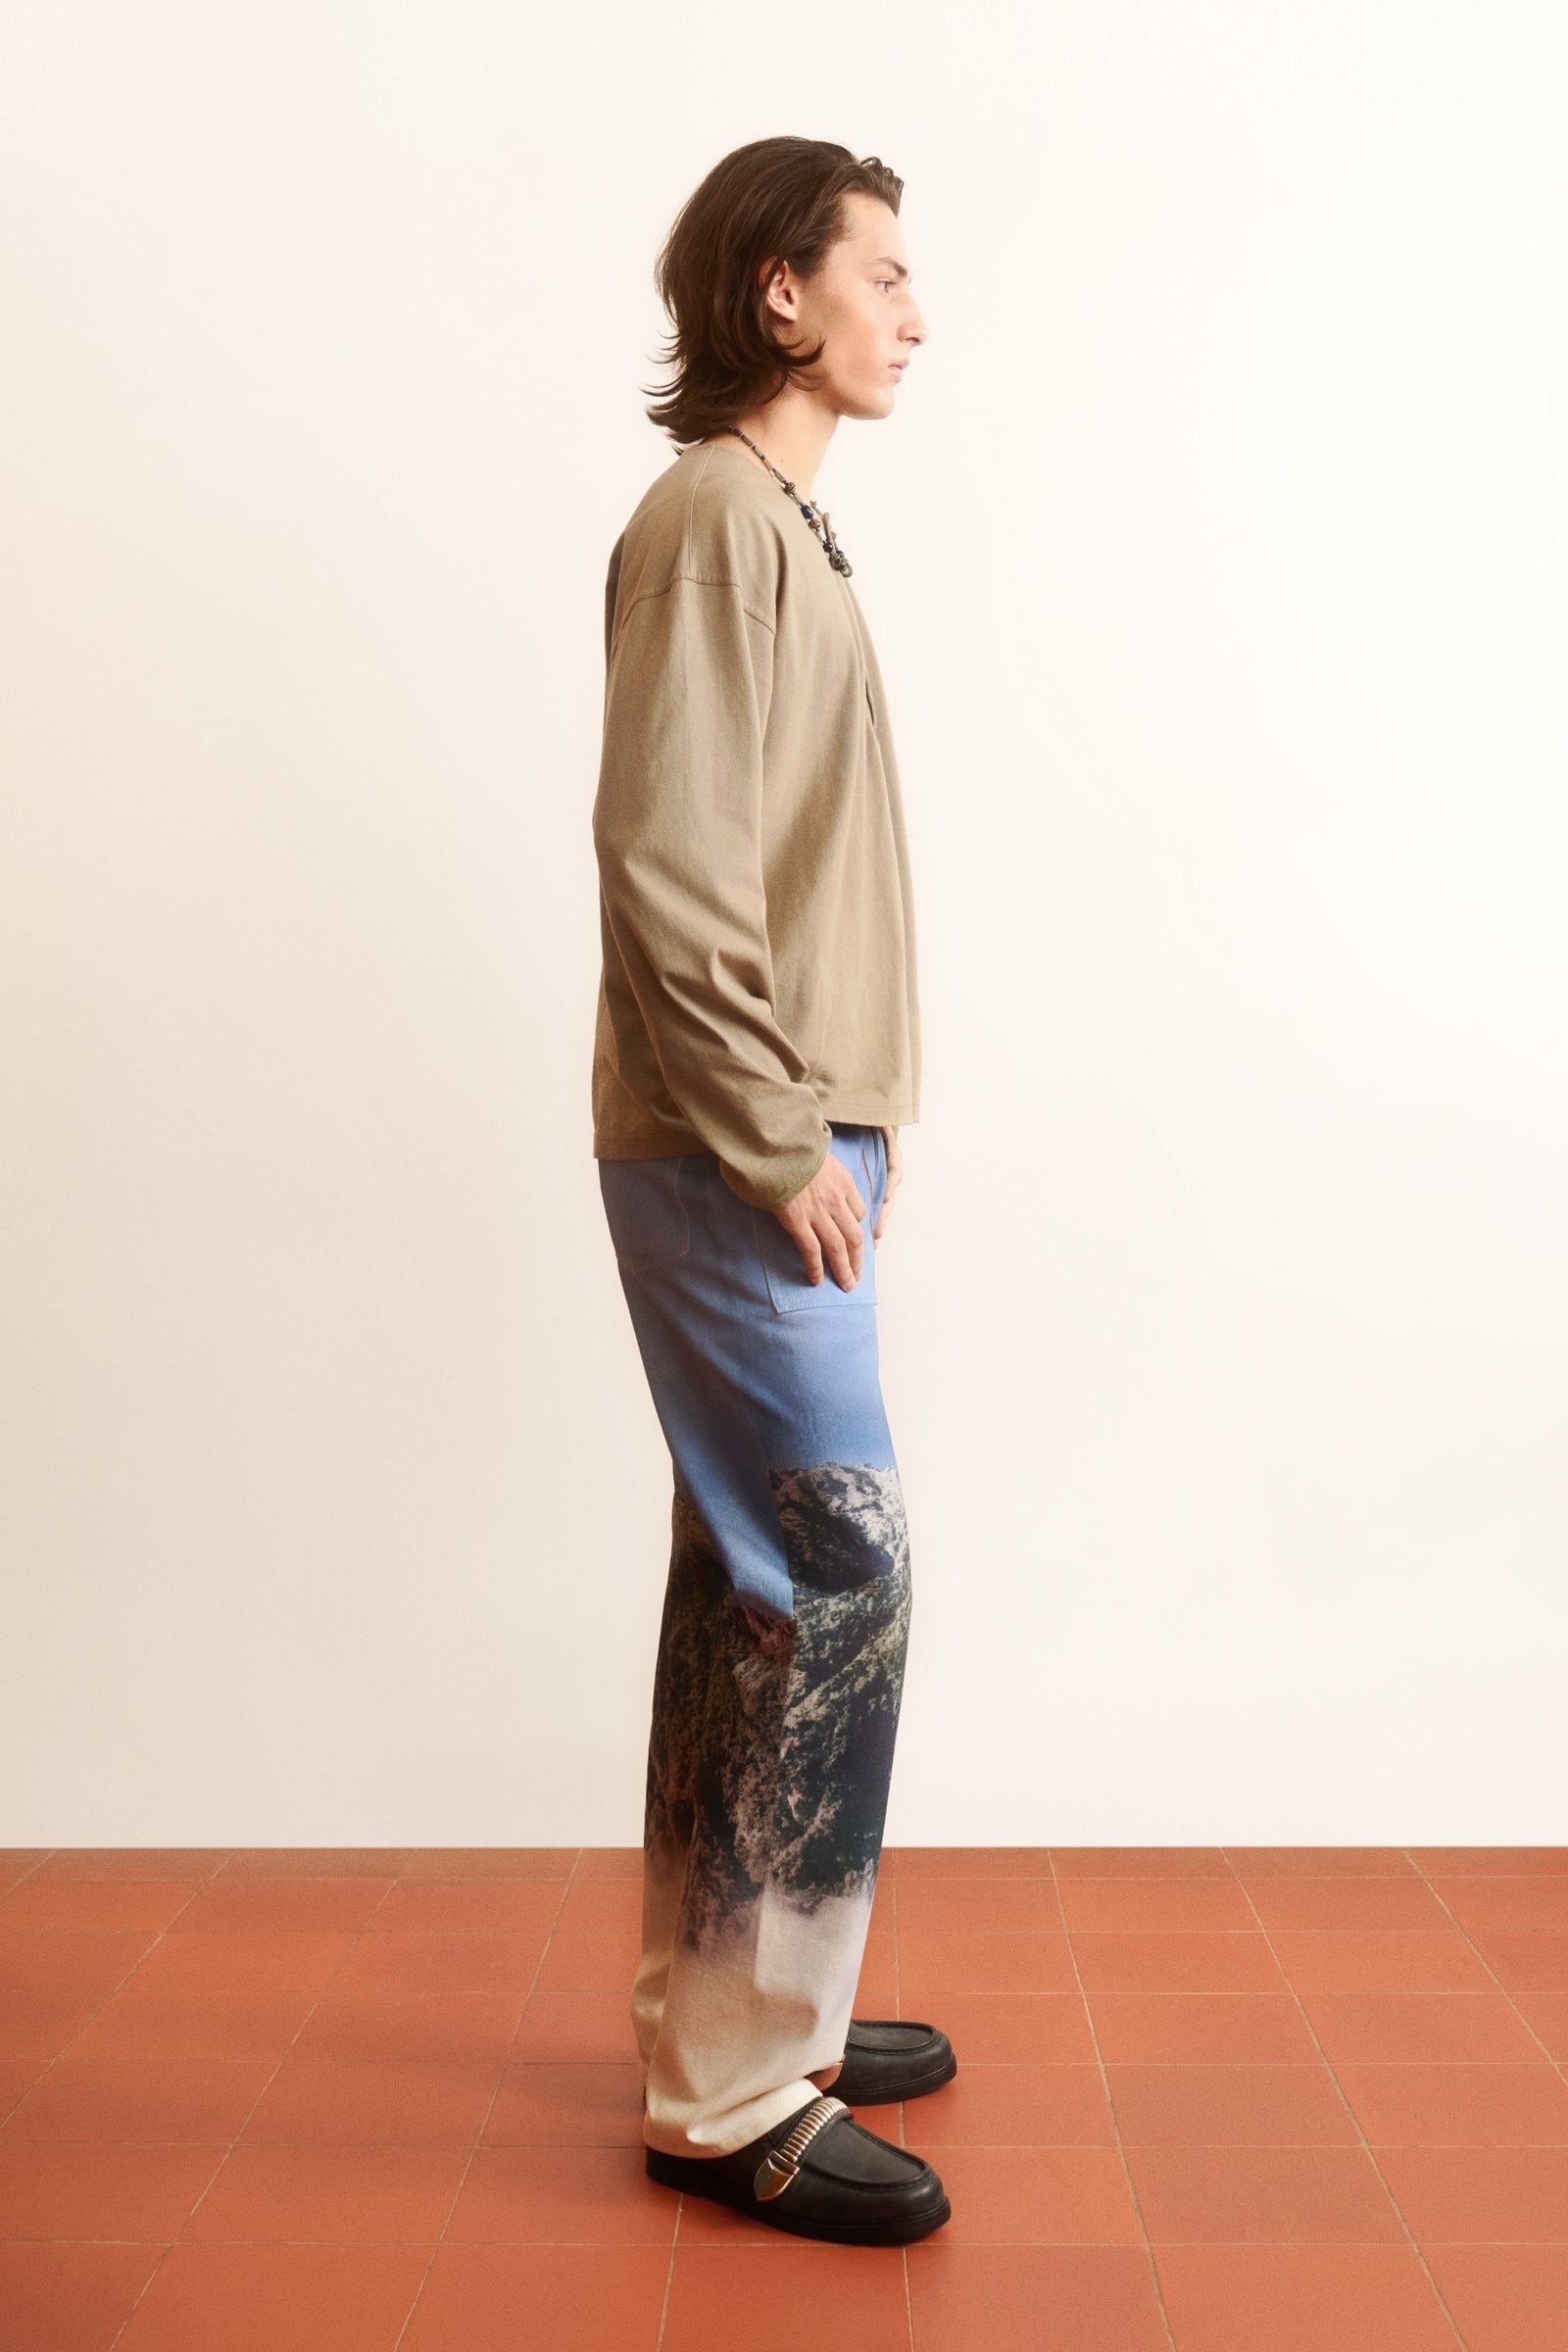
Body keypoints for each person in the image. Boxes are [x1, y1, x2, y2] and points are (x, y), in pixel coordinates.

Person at [590, 135, 954, 2246]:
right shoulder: (717, 526)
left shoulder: (776, 527)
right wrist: (774, 1135)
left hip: (787, 1131)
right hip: (743, 1141)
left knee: (756, 1595)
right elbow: (666, 863)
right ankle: (730, 2090)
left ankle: (746, 2007)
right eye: (880, 273)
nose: (915, 313)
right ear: (776, 292)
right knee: (830, 1574)